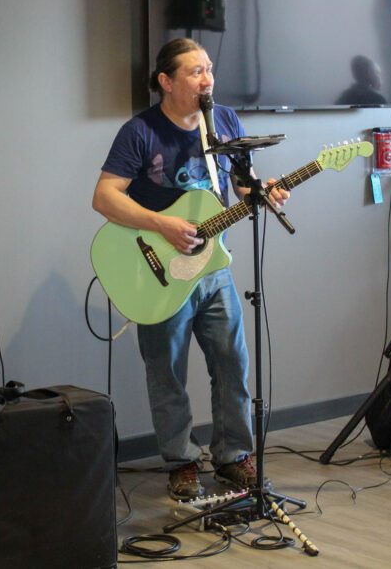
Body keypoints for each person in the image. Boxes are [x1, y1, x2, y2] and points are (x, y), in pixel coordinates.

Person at [92, 38, 289, 501]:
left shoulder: (222, 122)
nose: (208, 79)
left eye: (209, 69)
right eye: (196, 71)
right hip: (158, 270)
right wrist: (161, 223)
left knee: (233, 362)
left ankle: (233, 457)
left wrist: (263, 189)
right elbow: (104, 196)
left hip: (212, 269)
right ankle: (181, 462)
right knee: (167, 373)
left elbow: (241, 185)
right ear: (166, 81)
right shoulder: (140, 132)